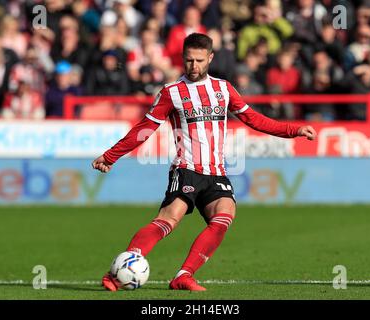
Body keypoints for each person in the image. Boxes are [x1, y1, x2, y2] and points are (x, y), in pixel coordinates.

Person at [92, 33, 317, 291]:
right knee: (168, 219)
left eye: (199, 60)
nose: (194, 66)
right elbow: (144, 130)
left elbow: (254, 119)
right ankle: (121, 269)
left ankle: (183, 276)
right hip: (186, 169)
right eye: (189, 61)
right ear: (183, 59)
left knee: (225, 214)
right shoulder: (171, 92)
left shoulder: (223, 89)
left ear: (210, 58)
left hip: (216, 172)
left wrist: (293, 130)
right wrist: (111, 156)